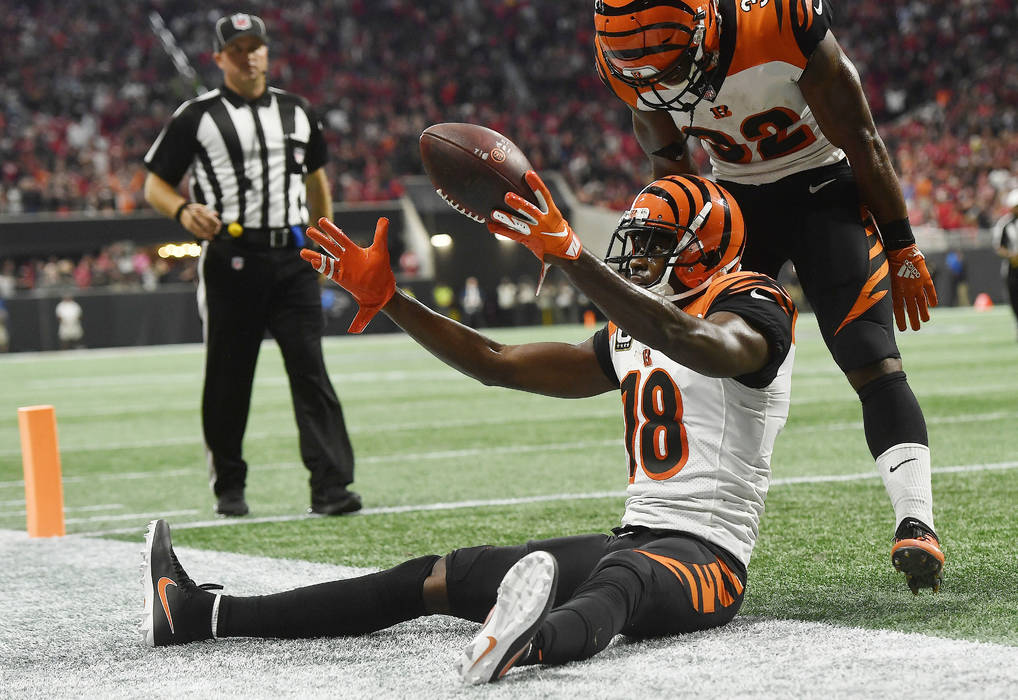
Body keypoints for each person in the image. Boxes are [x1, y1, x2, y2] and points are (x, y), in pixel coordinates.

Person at [142, 172, 798, 684]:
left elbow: (702, 344)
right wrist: (391, 300)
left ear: (705, 246)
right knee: (434, 577)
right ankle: (201, 613)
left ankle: (524, 644)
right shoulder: (637, 325)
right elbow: (497, 363)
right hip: (633, 538)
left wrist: (573, 258)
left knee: (621, 581)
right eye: (641, 237)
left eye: (658, 242)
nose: (639, 253)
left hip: (708, 560)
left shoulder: (754, 302)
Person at [592, 0, 943, 594]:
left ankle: (918, 520)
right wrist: (678, 229)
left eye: (673, 62)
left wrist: (902, 242)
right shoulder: (628, 55)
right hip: (731, 202)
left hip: (821, 185)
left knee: (868, 352)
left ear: (705, 26)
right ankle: (676, 526)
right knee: (699, 360)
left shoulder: (780, 17)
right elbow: (669, 161)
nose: (661, 81)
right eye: (645, 70)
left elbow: (859, 135)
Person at [141, 13, 358, 517]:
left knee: (311, 372)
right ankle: (230, 489)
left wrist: (327, 241)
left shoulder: (298, 111)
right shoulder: (197, 115)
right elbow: (154, 182)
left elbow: (317, 182)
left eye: (255, 46)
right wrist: (181, 209)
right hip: (232, 256)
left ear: (266, 52)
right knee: (228, 376)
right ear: (219, 58)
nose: (248, 55)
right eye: (236, 49)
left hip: (294, 256)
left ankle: (331, 487)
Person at [992, 189, 1018, 338]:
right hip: (1012, 268)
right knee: (1014, 296)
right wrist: (1011, 256)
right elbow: (998, 246)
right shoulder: (1005, 223)